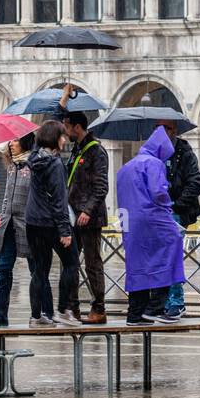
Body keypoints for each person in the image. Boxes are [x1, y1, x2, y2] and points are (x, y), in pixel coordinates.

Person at [117, 126, 184, 326]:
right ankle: (156, 307)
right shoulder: (153, 163)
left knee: (137, 265)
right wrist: (168, 206)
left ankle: (135, 313)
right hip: (152, 219)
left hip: (130, 222)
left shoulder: (126, 167)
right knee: (171, 250)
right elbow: (158, 193)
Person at [25, 121, 80, 328]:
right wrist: (65, 230)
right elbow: (59, 200)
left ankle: (36, 316)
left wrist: (62, 104)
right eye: (62, 136)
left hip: (33, 222)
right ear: (54, 138)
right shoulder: (55, 165)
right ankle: (63, 310)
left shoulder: (34, 158)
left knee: (40, 269)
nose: (65, 139)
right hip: (51, 223)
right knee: (71, 262)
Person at [62, 109, 110, 325]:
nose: (65, 131)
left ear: (77, 127)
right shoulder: (76, 150)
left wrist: (87, 211)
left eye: (67, 126)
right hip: (73, 215)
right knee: (70, 262)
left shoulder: (96, 151)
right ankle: (72, 308)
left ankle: (98, 308)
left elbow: (101, 187)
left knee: (92, 263)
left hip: (89, 218)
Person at [0, 132, 36, 327]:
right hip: (8, 225)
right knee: (4, 268)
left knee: (37, 271)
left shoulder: (34, 165)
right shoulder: (11, 166)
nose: (11, 143)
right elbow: (7, 196)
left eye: (16, 140)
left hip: (29, 225)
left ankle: (40, 313)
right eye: (11, 140)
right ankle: (0, 314)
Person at [160, 120, 200, 319]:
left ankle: (176, 301)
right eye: (158, 128)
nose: (162, 132)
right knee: (159, 258)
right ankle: (161, 300)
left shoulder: (184, 153)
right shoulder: (153, 153)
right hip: (155, 213)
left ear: (174, 130)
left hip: (176, 212)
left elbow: (195, 183)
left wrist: (175, 204)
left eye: (166, 127)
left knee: (172, 256)